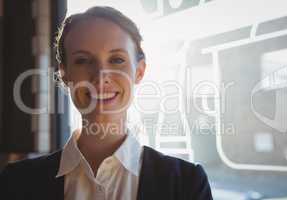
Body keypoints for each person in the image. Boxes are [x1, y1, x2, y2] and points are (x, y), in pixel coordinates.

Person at [0, 6, 213, 200]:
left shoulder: (187, 184)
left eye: (117, 60)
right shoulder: (17, 183)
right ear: (64, 74)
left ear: (139, 71)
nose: (101, 76)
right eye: (83, 60)